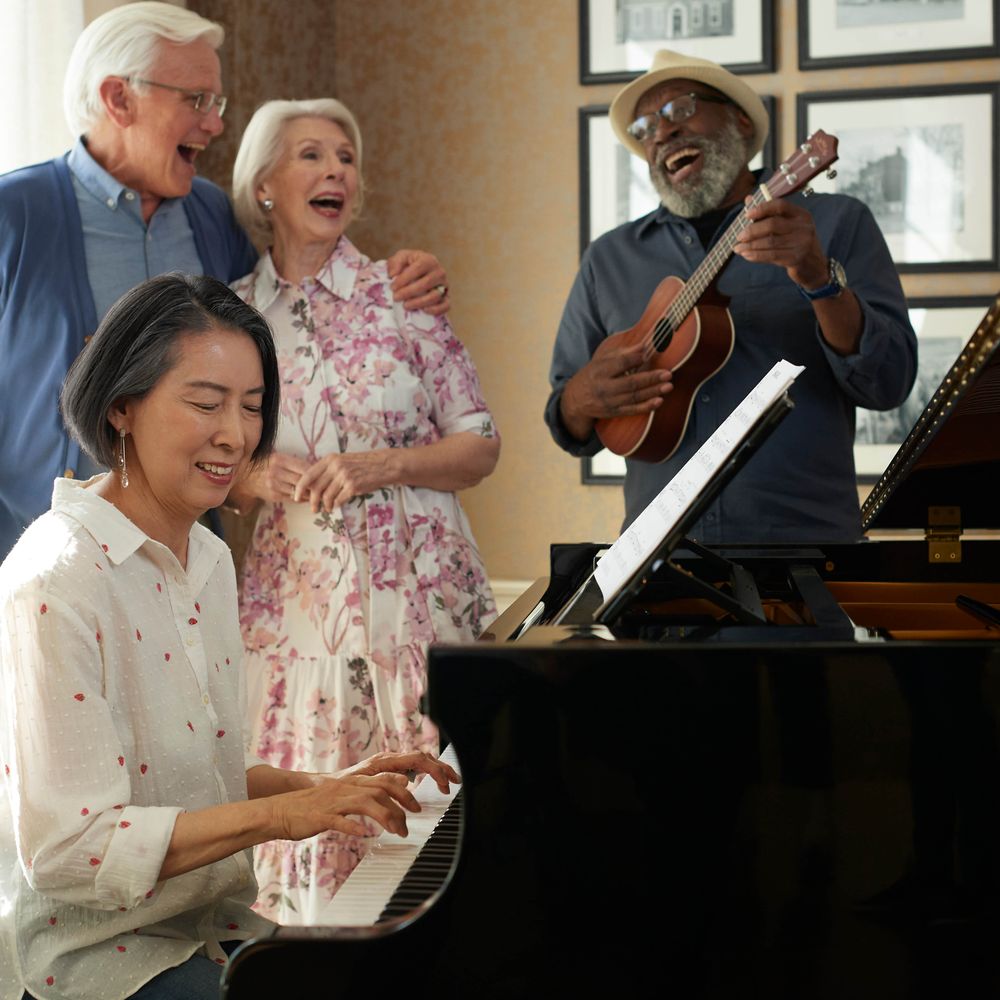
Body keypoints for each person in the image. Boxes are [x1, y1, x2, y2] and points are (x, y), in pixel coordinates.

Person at [0, 273, 460, 1000]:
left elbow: (189, 778)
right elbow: (69, 849)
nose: (235, 435)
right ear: (122, 406)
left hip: (203, 927)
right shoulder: (56, 578)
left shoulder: (208, 557)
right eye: (205, 403)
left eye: (251, 407)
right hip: (94, 960)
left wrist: (329, 786)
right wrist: (281, 816)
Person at [0, 1, 449, 561]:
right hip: (47, 558)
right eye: (197, 100)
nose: (215, 124)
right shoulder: (14, 213)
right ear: (119, 98)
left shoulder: (211, 215)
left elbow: (290, 298)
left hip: (182, 563)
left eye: (218, 102)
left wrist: (401, 273)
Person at [226, 98, 499, 923]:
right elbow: (211, 463)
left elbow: (479, 444)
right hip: (298, 618)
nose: (336, 170)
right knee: (318, 822)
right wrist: (255, 475)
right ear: (265, 185)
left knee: (435, 835)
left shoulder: (403, 295)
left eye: (346, 157)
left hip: (421, 606)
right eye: (311, 155)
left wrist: (379, 465)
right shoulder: (233, 317)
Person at [545, 49, 918, 544]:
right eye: (645, 127)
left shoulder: (834, 224)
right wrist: (580, 397)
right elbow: (568, 419)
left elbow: (889, 381)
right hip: (658, 566)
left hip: (805, 556)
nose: (661, 132)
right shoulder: (608, 258)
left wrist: (818, 279)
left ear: (741, 122)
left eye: (680, 108)